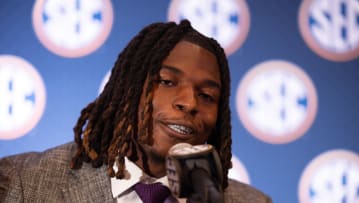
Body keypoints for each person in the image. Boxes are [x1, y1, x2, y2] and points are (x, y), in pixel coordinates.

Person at [0, 20, 272, 203]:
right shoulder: (21, 183)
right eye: (166, 81)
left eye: (207, 96)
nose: (190, 103)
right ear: (127, 88)